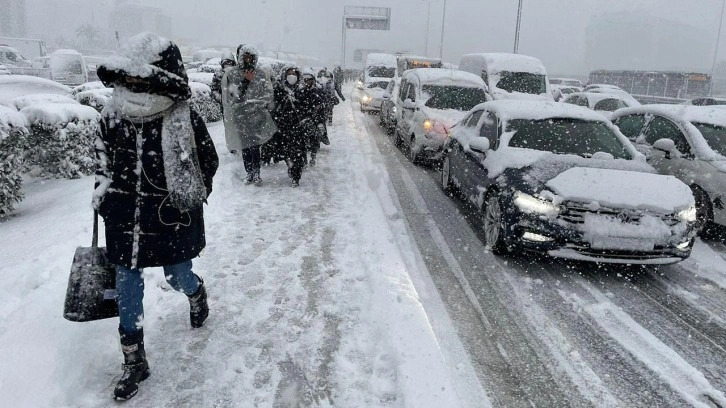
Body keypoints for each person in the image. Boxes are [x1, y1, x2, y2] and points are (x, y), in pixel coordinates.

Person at [93, 32, 219, 401]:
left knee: (177, 275)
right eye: (127, 77)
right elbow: (102, 161)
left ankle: (196, 293)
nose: (132, 83)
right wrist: (103, 197)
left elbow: (206, 163)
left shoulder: (183, 116)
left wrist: (188, 198)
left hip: (169, 216)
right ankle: (134, 360)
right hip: (124, 216)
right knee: (127, 285)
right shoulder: (112, 114)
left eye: (140, 77)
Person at [222, 44, 277, 184]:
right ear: (240, 58)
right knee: (245, 145)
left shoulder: (261, 74)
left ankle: (256, 173)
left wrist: (258, 105)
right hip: (240, 115)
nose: (248, 59)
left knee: (255, 145)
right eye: (245, 56)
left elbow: (267, 93)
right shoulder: (233, 74)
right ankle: (249, 173)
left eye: (250, 57)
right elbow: (233, 97)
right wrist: (245, 82)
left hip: (257, 115)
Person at [271, 65, 306, 186]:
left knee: (298, 154)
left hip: (298, 128)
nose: (292, 76)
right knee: (286, 152)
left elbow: (306, 108)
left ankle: (296, 176)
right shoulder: (279, 89)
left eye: (294, 74)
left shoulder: (302, 90)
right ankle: (290, 166)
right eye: (289, 73)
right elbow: (273, 107)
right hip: (283, 127)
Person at [297, 69, 326, 166]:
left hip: (315, 120)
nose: (307, 82)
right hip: (303, 120)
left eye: (309, 79)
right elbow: (297, 106)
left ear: (313, 80)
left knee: (315, 140)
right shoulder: (300, 92)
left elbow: (322, 107)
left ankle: (313, 156)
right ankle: (304, 159)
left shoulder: (318, 91)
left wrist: (319, 120)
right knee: (302, 141)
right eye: (305, 80)